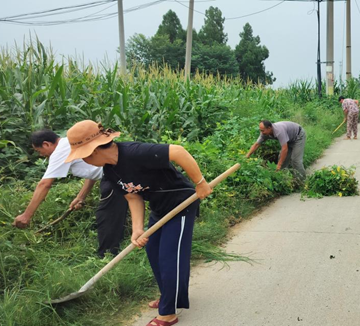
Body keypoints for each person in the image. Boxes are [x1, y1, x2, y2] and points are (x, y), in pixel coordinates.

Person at [64, 120, 213, 326]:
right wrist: (137, 229)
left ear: (94, 151)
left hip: (181, 203)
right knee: (153, 250)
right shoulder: (110, 171)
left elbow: (178, 152)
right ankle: (170, 296)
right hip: (159, 208)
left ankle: (169, 312)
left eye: (83, 157)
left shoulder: (134, 152)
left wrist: (200, 183)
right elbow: (133, 197)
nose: (85, 162)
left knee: (171, 256)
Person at [12, 129, 128, 257]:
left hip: (115, 175)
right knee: (113, 213)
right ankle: (115, 251)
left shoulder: (60, 151)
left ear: (46, 144)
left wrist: (26, 216)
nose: (41, 155)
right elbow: (94, 169)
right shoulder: (68, 144)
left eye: (39, 151)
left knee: (107, 216)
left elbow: (45, 184)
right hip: (114, 173)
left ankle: (107, 257)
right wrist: (80, 197)